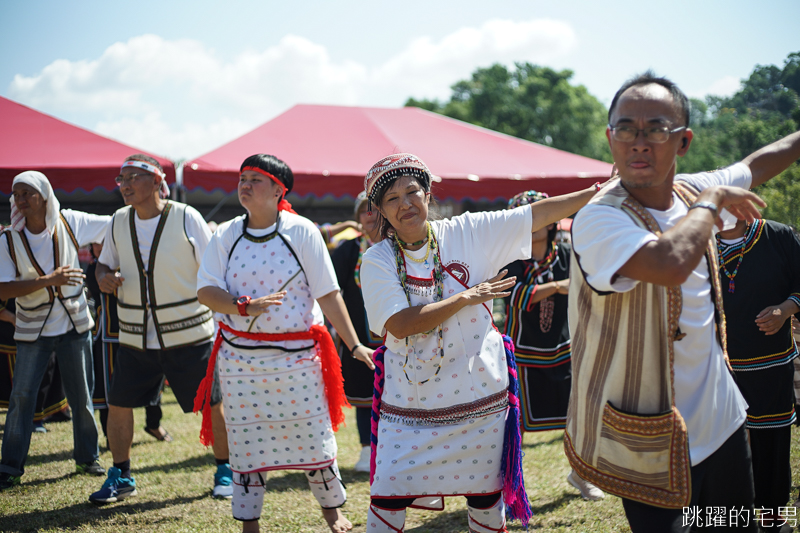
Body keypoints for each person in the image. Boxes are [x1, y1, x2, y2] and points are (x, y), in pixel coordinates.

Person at [566, 71, 800, 533]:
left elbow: (763, 161)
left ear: (684, 140)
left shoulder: (692, 192)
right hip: (647, 438)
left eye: (655, 128)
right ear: (610, 138)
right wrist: (710, 205)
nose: (639, 141)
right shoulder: (599, 220)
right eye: (625, 129)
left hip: (723, 422)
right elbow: (669, 262)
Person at [360, 153, 604, 533]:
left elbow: (534, 216)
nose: (405, 204)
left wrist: (596, 191)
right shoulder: (376, 260)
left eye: (412, 192)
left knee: (486, 506)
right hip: (410, 403)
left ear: (427, 194)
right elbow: (399, 324)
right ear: (379, 210)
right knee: (386, 501)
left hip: (479, 397)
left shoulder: (466, 231)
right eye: (392, 199)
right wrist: (465, 298)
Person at [195, 153, 374, 533]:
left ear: (279, 190)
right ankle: (250, 524)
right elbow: (207, 291)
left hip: (298, 361)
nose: (245, 184)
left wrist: (355, 344)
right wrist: (242, 307)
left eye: (255, 179)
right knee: (246, 448)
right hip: (240, 363)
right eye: (242, 178)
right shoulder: (225, 234)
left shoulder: (303, 231)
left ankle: (333, 513)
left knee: (315, 441)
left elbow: (328, 294)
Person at [90, 154, 230, 503]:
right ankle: (120, 474)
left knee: (213, 403)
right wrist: (104, 277)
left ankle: (227, 469)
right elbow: (104, 262)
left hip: (189, 334)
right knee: (118, 403)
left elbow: (213, 269)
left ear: (156, 181)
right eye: (120, 178)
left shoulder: (186, 217)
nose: (124, 185)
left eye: (133, 177)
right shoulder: (118, 221)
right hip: (135, 336)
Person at [0, 171, 108, 490]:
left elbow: (115, 224)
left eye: (26, 193)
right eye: (16, 194)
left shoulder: (71, 221)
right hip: (33, 329)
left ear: (44, 196)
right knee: (21, 396)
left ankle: (88, 456)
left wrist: (106, 262)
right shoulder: (8, 239)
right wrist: (49, 281)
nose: (19, 199)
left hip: (74, 324)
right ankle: (9, 465)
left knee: (81, 395)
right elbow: (3, 290)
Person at [501, 190, 605, 502]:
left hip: (565, 347)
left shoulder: (567, 252)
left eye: (540, 216)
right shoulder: (510, 257)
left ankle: (582, 474)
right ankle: (509, 489)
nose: (534, 224)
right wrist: (559, 286)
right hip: (521, 352)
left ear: (552, 223)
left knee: (581, 415)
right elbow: (517, 296)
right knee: (512, 425)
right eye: (527, 218)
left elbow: (587, 287)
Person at [715, 218, 800, 531]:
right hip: (717, 365)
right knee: (722, 445)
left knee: (770, 442)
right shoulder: (699, 243)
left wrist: (786, 309)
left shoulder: (776, 236)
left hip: (770, 362)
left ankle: (773, 519)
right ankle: (732, 520)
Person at [85, 242, 170, 444]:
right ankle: (110, 435)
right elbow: (104, 289)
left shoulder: (132, 264)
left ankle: (153, 423)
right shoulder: (94, 269)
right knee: (110, 389)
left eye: (104, 243)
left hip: (142, 330)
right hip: (109, 335)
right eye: (96, 244)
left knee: (153, 378)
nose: (100, 247)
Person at [330, 192, 382, 472]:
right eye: (364, 210)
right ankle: (366, 452)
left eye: (375, 209)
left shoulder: (397, 247)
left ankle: (393, 451)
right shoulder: (348, 250)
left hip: (394, 334)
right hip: (358, 337)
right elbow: (332, 291)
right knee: (365, 396)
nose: (369, 215)